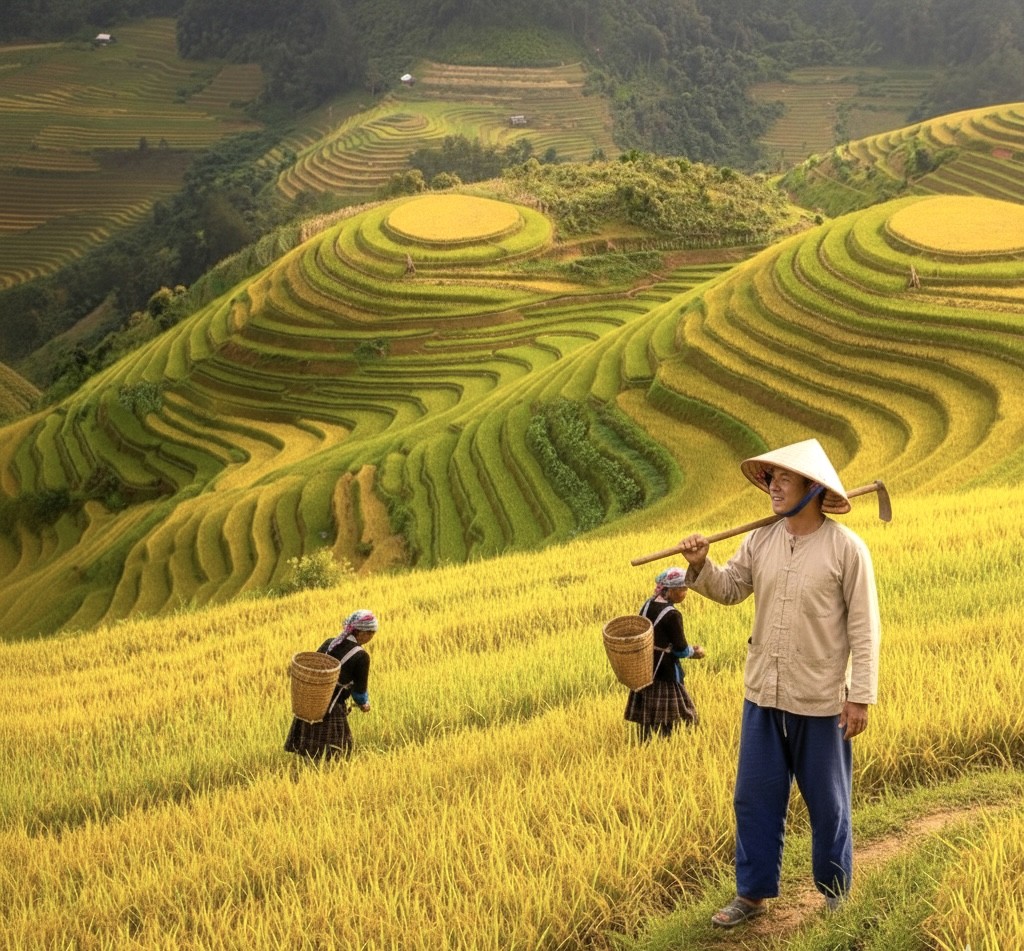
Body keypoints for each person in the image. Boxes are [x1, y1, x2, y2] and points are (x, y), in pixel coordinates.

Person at [676, 438, 880, 926]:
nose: (773, 486)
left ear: (813, 488)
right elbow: (729, 590)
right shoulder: (760, 541)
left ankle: (834, 893)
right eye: (771, 478)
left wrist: (861, 698)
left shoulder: (846, 549)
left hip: (821, 699)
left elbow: (864, 628)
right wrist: (702, 564)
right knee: (754, 795)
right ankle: (751, 893)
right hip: (764, 692)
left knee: (829, 803)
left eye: (785, 478)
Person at [625, 565, 706, 741]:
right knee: (682, 715)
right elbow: (680, 648)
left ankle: (647, 743)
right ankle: (672, 744)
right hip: (665, 670)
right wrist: (695, 652)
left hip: (645, 668)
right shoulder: (672, 615)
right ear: (668, 590)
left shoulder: (647, 605)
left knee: (648, 715)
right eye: (681, 589)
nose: (685, 593)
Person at [285, 609, 378, 760]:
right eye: (371, 633)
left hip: (312, 701)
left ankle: (309, 772)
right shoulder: (361, 656)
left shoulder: (330, 643)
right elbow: (359, 691)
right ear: (360, 633)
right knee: (340, 752)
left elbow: (314, 668)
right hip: (332, 707)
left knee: (310, 748)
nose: (372, 637)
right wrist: (364, 704)